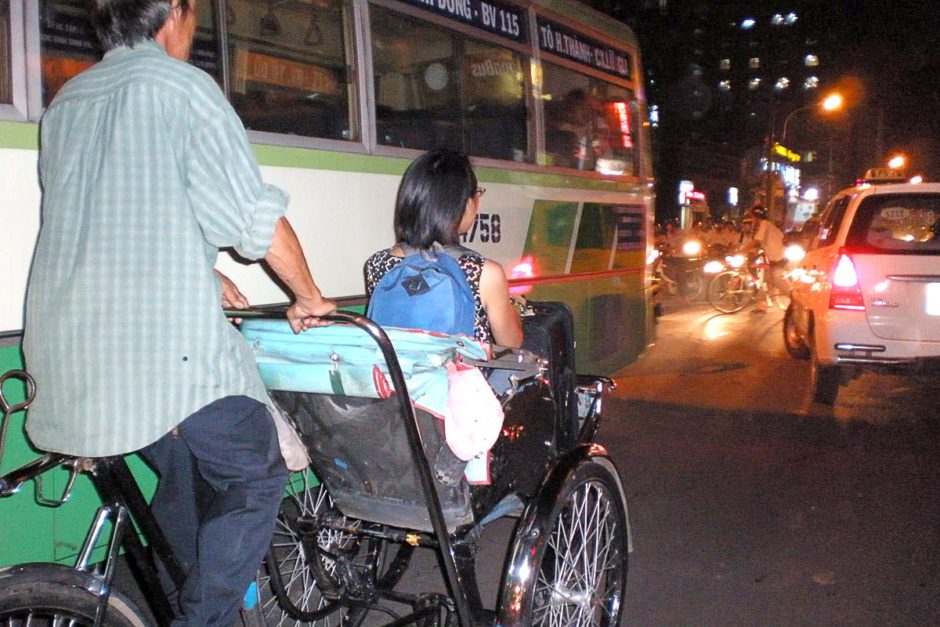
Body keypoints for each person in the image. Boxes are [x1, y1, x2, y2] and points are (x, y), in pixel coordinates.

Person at [22, 1, 336, 624]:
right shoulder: (182, 88)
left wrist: (199, 267)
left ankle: (152, 606)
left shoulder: (68, 102)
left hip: (64, 361)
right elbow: (255, 220)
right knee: (253, 470)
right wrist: (309, 295)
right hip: (159, 357)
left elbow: (106, 220)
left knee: (189, 467)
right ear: (174, 10)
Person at [364, 149, 523, 348]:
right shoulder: (485, 273)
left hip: (395, 377)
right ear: (466, 205)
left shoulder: (378, 264)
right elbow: (511, 343)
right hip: (460, 378)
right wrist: (513, 307)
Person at [745, 204, 786, 312]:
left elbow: (757, 241)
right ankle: (763, 305)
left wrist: (741, 250)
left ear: (756, 216)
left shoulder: (764, 224)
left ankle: (795, 301)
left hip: (778, 257)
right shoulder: (767, 225)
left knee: (778, 282)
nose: (752, 219)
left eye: (753, 216)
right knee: (764, 280)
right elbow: (761, 244)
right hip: (774, 257)